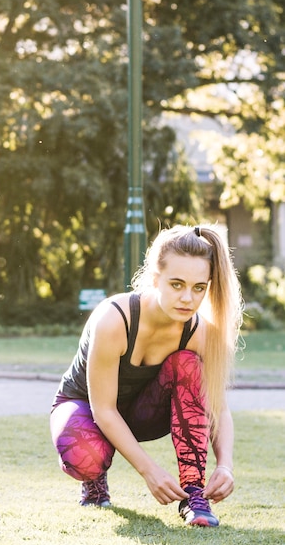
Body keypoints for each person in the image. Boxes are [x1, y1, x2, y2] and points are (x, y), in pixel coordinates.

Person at [50, 225, 243, 527]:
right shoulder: (113, 319)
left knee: (188, 364)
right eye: (176, 284)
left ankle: (194, 493)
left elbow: (218, 407)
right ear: (156, 279)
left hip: (143, 414)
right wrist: (149, 471)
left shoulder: (198, 333)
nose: (188, 299)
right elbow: (103, 410)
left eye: (198, 288)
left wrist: (227, 465)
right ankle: (94, 481)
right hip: (87, 407)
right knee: (85, 457)